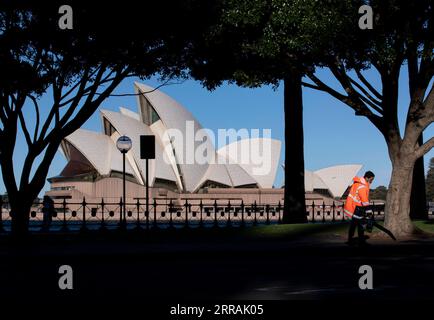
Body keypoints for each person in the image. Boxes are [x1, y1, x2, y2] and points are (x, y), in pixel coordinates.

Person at [344, 171, 375, 246]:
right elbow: (364, 200)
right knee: (360, 225)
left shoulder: (358, 183)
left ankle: (351, 240)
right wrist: (369, 212)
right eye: (371, 179)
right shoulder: (362, 186)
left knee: (355, 224)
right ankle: (360, 242)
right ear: (367, 178)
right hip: (358, 208)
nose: (372, 181)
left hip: (354, 207)